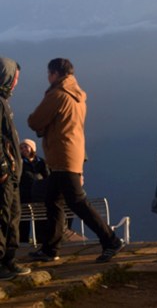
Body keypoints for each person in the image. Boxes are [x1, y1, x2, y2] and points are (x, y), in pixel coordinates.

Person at [27, 58, 124, 263]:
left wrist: (41, 127)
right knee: (53, 201)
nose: (47, 77)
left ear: (54, 73)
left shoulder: (58, 94)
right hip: (72, 153)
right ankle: (50, 248)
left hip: (62, 155)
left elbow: (34, 120)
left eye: (49, 74)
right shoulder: (77, 96)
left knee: (77, 202)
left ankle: (111, 240)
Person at [0, 57, 31, 280]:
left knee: (12, 216)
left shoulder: (3, 102)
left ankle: (9, 260)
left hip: (10, 172)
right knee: (2, 217)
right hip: (4, 173)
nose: (16, 83)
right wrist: (3, 167)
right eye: (15, 78)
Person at [19, 138, 49, 244]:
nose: (23, 149)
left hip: (39, 196)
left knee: (40, 220)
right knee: (23, 222)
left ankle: (41, 242)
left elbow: (48, 177)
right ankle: (23, 243)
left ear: (32, 148)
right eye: (21, 148)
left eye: (26, 146)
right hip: (24, 196)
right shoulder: (20, 163)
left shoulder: (41, 162)